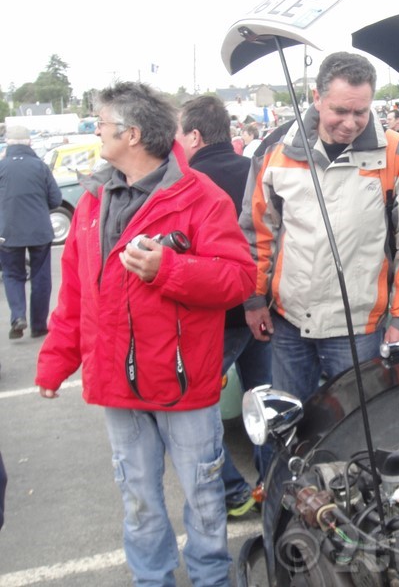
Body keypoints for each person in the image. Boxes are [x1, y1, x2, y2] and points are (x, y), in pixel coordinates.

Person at [35, 82, 256, 586]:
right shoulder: (92, 200)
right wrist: (54, 362)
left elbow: (241, 279)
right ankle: (151, 579)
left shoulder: (201, 196)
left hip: (183, 383)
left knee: (202, 494)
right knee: (137, 492)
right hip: (118, 379)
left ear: (131, 134)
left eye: (101, 125)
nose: (96, 132)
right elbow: (74, 294)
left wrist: (169, 270)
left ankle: (210, 578)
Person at [240, 51, 399, 410]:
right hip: (289, 325)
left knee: (357, 433)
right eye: (340, 111)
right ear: (317, 98)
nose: (350, 123)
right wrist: (253, 300)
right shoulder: (277, 150)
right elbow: (256, 232)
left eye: (360, 112)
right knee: (286, 430)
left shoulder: (398, 156)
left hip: (359, 333)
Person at [176, 95, 272, 517]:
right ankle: (275, 485)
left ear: (194, 136)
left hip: (219, 314)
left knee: (194, 406)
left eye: (179, 133)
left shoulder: (186, 183)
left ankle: (232, 490)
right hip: (266, 308)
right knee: (266, 403)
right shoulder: (255, 170)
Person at [0, 125, 63, 339]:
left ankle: (18, 316)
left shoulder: (1, 167)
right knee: (41, 276)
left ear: (8, 143)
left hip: (8, 231)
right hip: (39, 230)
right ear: (29, 142)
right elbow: (55, 199)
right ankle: (38, 325)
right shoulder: (40, 167)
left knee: (12, 274)